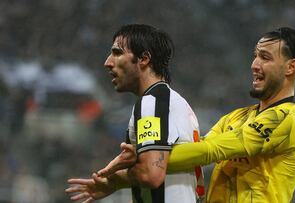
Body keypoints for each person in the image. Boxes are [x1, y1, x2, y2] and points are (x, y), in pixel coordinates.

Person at [93, 26, 295, 203]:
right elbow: (196, 153)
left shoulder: (288, 118)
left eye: (265, 57)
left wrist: (147, 158)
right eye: (255, 56)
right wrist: (120, 179)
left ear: (290, 67)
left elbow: (210, 150)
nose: (254, 64)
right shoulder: (236, 118)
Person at [65, 24, 203, 203]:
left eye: (117, 52)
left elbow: (151, 174)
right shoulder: (176, 102)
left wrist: (113, 181)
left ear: (144, 59)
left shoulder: (152, 102)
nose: (108, 62)